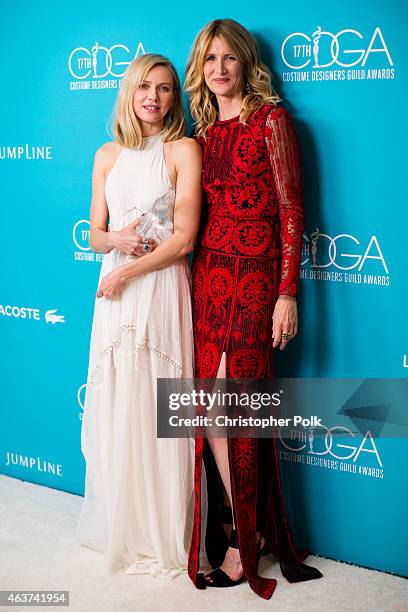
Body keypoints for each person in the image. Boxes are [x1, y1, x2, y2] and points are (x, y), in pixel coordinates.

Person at [184, 19, 323, 598]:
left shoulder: (272, 121)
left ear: (246, 63)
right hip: (208, 279)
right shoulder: (207, 132)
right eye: (209, 59)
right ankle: (247, 526)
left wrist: (286, 291)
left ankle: (249, 540)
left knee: (241, 413)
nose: (219, 68)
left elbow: (292, 210)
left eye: (229, 58)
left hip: (254, 284)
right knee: (210, 412)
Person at [75, 53, 202, 579]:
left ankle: (161, 529)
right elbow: (94, 231)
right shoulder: (106, 154)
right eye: (144, 87)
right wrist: (116, 243)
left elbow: (184, 240)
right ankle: (121, 523)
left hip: (157, 285)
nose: (153, 97)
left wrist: (127, 270)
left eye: (166, 89)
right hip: (114, 291)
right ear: (129, 92)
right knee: (119, 395)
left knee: (159, 396)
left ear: (176, 97)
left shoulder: (183, 150)